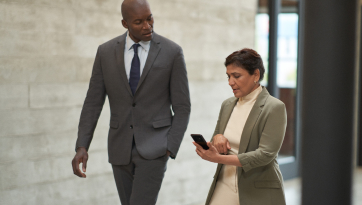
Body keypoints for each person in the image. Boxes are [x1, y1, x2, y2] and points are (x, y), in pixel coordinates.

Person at [71, 0, 191, 204]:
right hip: (120, 148)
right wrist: (82, 146)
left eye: (149, 18)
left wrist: (170, 145)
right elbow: (93, 102)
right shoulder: (105, 52)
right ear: (124, 24)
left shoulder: (172, 52)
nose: (147, 25)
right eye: (139, 21)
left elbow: (182, 106)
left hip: (155, 148)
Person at [193, 48, 287, 205]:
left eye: (236, 76)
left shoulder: (274, 107)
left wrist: (218, 158)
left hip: (257, 191)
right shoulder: (228, 104)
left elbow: (266, 154)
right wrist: (217, 138)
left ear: (255, 75)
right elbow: (215, 139)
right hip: (224, 183)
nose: (230, 82)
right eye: (228, 76)